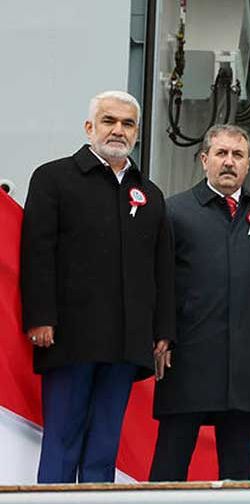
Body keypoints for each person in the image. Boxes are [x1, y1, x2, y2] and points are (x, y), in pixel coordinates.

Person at [20, 90, 174, 483]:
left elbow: (161, 269)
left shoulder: (150, 194)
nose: (118, 130)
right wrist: (40, 318)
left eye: (127, 123)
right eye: (109, 121)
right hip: (69, 339)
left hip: (125, 344)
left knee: (105, 443)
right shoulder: (53, 178)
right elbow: (37, 254)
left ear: (137, 132)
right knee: (63, 439)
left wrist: (162, 332)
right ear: (90, 127)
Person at [150, 125, 250, 481]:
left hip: (243, 363)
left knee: (238, 472)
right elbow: (158, 281)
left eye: (237, 155)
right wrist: (161, 335)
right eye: (221, 153)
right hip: (186, 357)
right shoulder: (174, 212)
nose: (229, 162)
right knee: (170, 466)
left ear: (248, 164)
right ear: (204, 160)